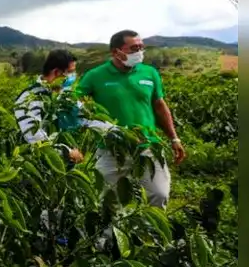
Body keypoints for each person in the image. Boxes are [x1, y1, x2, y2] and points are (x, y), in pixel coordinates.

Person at [76, 30, 185, 207]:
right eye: (134, 48)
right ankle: (110, 234)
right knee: (106, 201)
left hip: (148, 146)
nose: (139, 52)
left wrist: (174, 137)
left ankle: (148, 234)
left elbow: (159, 105)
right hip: (110, 149)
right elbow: (75, 103)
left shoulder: (149, 73)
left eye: (141, 47)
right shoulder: (95, 76)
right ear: (115, 52)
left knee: (159, 194)